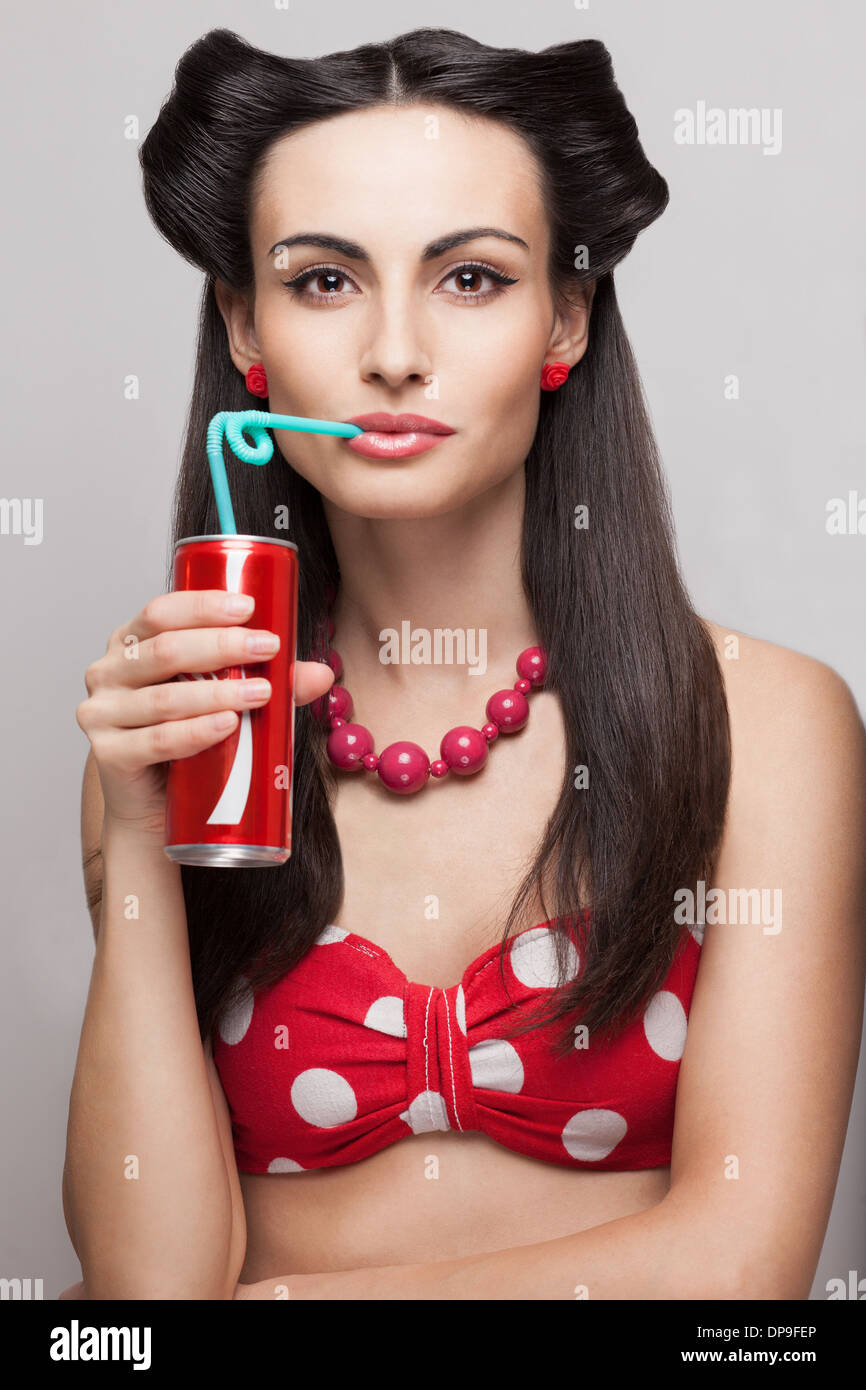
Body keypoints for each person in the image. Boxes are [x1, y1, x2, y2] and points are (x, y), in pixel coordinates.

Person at [62, 26, 866, 1300]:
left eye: (470, 279)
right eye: (323, 280)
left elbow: (742, 1265)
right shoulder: (178, 735)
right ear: (243, 330)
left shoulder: (767, 724)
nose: (392, 354)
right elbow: (145, 1301)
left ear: (565, 317)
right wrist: (136, 838)